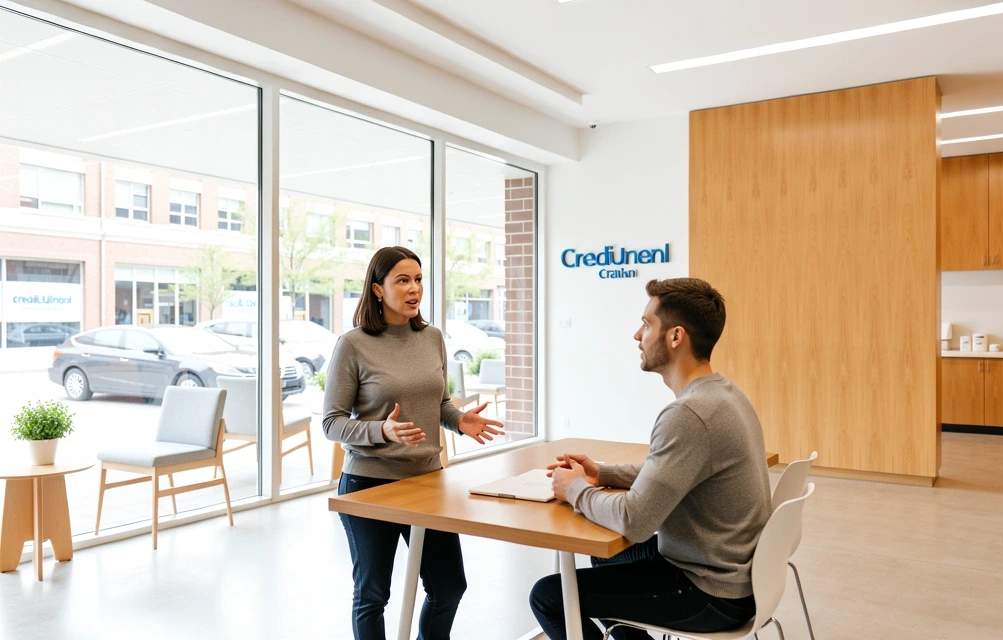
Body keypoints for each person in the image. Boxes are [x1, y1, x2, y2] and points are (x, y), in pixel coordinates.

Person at [531, 277, 772, 640]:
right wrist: (603, 473)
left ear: (675, 337)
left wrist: (576, 489)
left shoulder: (688, 414)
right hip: (735, 576)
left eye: (646, 324)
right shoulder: (724, 395)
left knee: (549, 597)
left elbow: (635, 521)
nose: (636, 335)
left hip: (706, 592)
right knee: (606, 555)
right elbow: (675, 471)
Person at [323, 246, 505, 640]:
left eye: (418, 280)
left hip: (426, 481)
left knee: (448, 586)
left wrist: (460, 421)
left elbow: (437, 403)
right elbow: (332, 423)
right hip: (369, 484)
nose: (414, 289)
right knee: (373, 594)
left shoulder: (432, 337)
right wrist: (381, 431)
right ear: (377, 289)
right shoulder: (353, 344)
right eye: (402, 280)